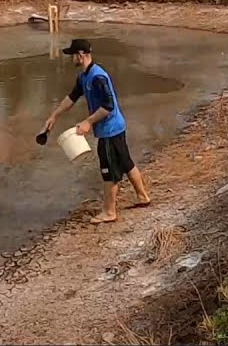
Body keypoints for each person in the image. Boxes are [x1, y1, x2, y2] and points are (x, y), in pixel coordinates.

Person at [44, 38, 151, 223]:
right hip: (116, 127)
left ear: (81, 55)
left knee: (108, 170)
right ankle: (143, 197)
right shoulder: (84, 76)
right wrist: (54, 116)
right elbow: (71, 98)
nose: (71, 60)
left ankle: (109, 212)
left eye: (72, 56)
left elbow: (108, 106)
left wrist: (88, 122)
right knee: (126, 162)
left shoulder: (97, 77)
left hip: (110, 130)